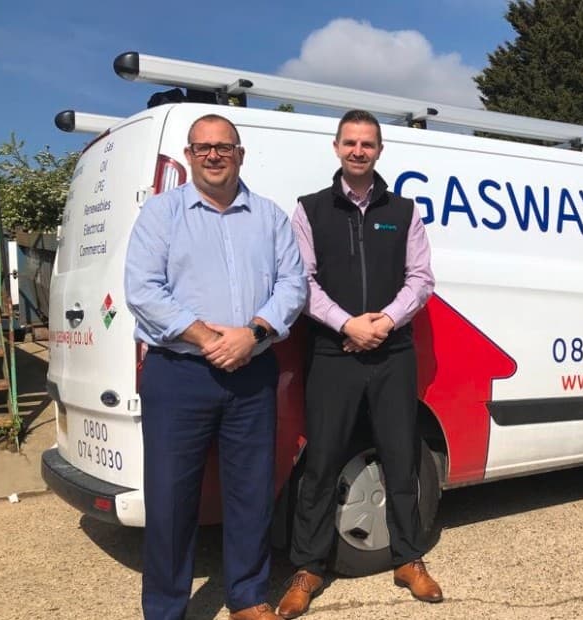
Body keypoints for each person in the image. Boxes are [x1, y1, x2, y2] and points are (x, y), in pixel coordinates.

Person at [125, 113, 307, 620]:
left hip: (251, 372)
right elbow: (142, 290)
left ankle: (247, 597)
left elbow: (293, 285)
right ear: (189, 156)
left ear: (239, 155)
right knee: (170, 499)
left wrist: (253, 334)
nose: (213, 155)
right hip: (179, 373)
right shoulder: (161, 214)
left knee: (251, 492)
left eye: (224, 147)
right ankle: (166, 609)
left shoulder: (269, 216)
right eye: (203, 147)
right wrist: (208, 338)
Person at [276, 109, 438, 619]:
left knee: (400, 456)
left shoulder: (403, 211)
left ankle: (408, 558)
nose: (358, 151)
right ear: (337, 147)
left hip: (393, 352)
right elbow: (301, 281)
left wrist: (383, 322)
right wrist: (348, 324)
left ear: (379, 150)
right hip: (333, 352)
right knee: (322, 461)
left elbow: (421, 279)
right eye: (350, 142)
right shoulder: (310, 210)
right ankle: (307, 568)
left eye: (368, 143)